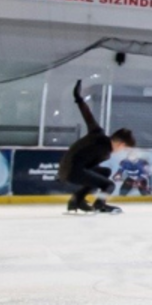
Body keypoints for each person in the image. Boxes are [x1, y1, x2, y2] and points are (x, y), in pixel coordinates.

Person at [57, 80, 134, 214]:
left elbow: (88, 117)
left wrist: (79, 99)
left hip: (69, 168)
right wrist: (78, 99)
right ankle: (100, 205)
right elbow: (88, 116)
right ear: (121, 144)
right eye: (124, 148)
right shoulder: (101, 142)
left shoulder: (97, 133)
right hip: (71, 170)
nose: (122, 151)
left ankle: (76, 200)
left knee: (105, 172)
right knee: (109, 185)